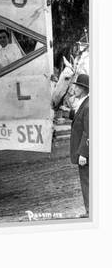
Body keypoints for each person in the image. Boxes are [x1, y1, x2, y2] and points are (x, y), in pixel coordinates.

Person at [68, 73, 89, 217]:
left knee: (87, 181)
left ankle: (90, 212)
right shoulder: (84, 103)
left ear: (83, 89)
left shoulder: (88, 105)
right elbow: (75, 116)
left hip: (86, 153)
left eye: (77, 86)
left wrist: (83, 153)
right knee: (86, 181)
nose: (74, 88)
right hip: (84, 151)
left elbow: (89, 132)